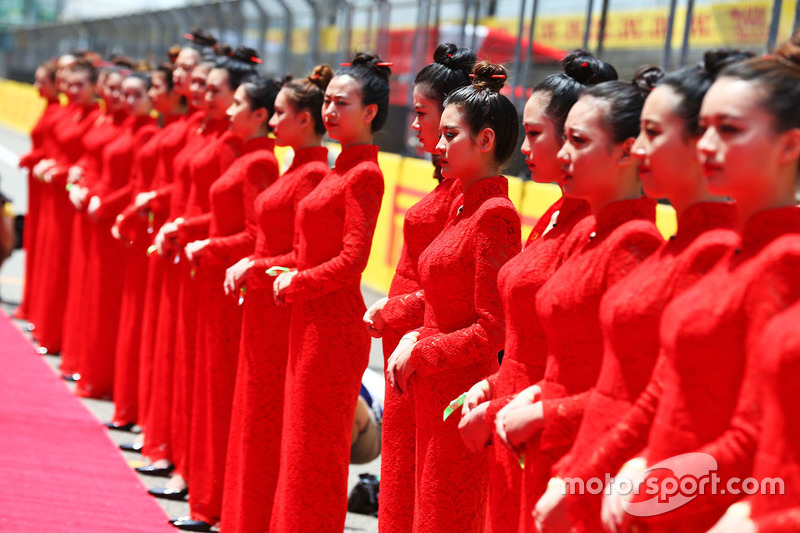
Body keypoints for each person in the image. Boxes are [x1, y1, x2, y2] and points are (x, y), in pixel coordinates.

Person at [532, 50, 751, 533]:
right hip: (613, 469)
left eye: (654, 134)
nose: (640, 149)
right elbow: (655, 388)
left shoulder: (705, 249)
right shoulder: (682, 245)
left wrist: (602, 473)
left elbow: (727, 417)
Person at [600, 37, 800, 533]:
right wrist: (636, 464)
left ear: (791, 145)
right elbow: (666, 390)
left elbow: (750, 433)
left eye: (728, 130)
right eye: (704, 128)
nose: (705, 145)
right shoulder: (736, 252)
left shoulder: (782, 262)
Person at [493, 68, 665, 533]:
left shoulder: (635, 244)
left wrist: (544, 415)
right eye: (563, 138)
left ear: (629, 152)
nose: (562, 153)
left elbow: (630, 391)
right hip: (538, 434)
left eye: (579, 141)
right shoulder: (586, 231)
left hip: (583, 455)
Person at [456, 49, 615, 533]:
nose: (526, 146)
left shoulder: (601, 232)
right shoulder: (550, 218)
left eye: (538, 133)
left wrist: (511, 402)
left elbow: (585, 365)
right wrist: (494, 384)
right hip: (514, 415)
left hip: (546, 426)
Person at [385, 60, 522, 532]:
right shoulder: (463, 206)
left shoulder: (495, 215)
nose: (437, 147)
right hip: (430, 384)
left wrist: (423, 351)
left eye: (450, 135)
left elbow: (492, 328)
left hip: (457, 391)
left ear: (485, 141)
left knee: (446, 517)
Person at [269, 52, 388, 533]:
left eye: (343, 103)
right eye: (329, 102)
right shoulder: (338, 170)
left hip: (335, 328)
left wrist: (297, 281)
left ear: (371, 113)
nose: (330, 111)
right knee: (299, 447)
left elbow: (350, 263)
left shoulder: (365, 175)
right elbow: (306, 251)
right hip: (309, 319)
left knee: (316, 453)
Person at [360, 42, 476, 533]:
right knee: (400, 475)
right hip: (403, 332)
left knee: (418, 482)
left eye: (424, 114)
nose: (413, 123)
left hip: (422, 340)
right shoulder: (443, 188)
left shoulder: (467, 200)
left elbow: (461, 292)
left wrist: (401, 309)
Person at [220, 64, 332, 533]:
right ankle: (241, 517)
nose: (272, 123)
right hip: (266, 301)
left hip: (280, 303)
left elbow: (309, 256)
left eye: (279, 114)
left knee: (266, 422)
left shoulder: (313, 173)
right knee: (254, 417)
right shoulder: (294, 168)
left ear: (304, 120)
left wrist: (257, 265)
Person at [170, 74, 280, 532]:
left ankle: (211, 499)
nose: (226, 108)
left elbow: (254, 237)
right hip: (220, 281)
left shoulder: (259, 162)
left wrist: (207, 246)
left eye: (233, 100)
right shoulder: (242, 153)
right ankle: (201, 489)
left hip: (234, 288)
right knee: (205, 388)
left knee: (219, 396)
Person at [107, 61, 189, 431]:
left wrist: (154, 206)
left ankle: (153, 423)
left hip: (175, 242)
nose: (152, 95)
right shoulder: (168, 129)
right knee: (145, 328)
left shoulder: (183, 131)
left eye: (154, 87)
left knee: (164, 337)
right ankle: (140, 413)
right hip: (155, 233)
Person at [75, 71, 158, 399]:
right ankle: (95, 373)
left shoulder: (148, 132)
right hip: (106, 218)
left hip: (122, 226)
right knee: (98, 299)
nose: (128, 100)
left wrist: (108, 206)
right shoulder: (125, 126)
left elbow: (138, 186)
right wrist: (82, 186)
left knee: (112, 304)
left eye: (137, 94)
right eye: (125, 94)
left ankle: (108, 381)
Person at [27, 59, 99, 355]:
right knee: (50, 260)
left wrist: (63, 174)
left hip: (73, 200)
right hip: (55, 195)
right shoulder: (69, 112)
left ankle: (58, 335)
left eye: (79, 84)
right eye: (68, 83)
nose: (71, 89)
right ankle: (47, 326)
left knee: (64, 268)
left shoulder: (94, 117)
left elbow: (89, 160)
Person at [15, 60, 59, 321]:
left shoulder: (58, 112)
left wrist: (34, 159)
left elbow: (57, 152)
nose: (36, 86)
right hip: (39, 185)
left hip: (50, 187)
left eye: (42, 81)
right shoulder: (50, 110)